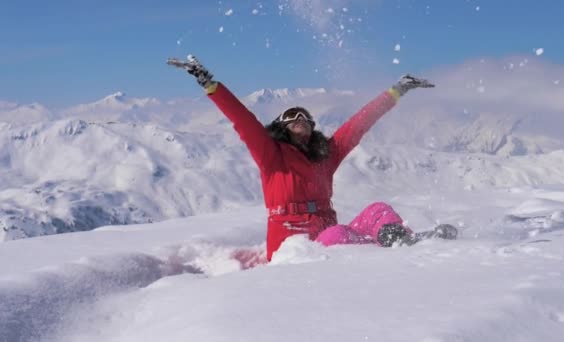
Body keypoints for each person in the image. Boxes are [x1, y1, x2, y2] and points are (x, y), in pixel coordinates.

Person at [170, 55, 450, 261]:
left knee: (378, 210)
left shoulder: (324, 155)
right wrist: (210, 85)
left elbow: (359, 124)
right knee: (337, 236)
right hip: (294, 246)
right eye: (291, 118)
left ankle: (404, 241)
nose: (299, 119)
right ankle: (390, 245)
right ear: (281, 128)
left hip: (329, 230)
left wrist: (396, 91)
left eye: (304, 117)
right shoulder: (272, 155)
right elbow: (243, 120)